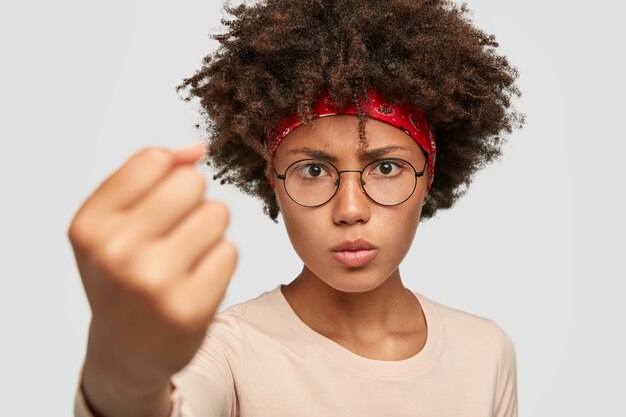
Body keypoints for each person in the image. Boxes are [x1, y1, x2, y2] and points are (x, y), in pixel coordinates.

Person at [69, 0, 524, 416]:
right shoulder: (226, 350)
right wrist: (123, 368)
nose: (349, 209)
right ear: (272, 179)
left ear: (429, 175)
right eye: (313, 170)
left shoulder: (484, 353)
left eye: (386, 167)